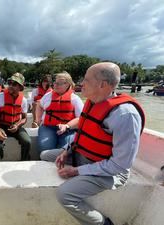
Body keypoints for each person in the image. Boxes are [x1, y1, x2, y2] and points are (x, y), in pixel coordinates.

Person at [54, 62, 145, 225]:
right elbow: (82, 133)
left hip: (109, 172)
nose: (82, 84)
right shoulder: (92, 102)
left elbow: (120, 166)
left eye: (86, 80)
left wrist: (77, 171)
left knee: (64, 194)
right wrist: (67, 151)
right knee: (46, 156)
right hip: (83, 155)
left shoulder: (125, 115)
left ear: (102, 85)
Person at [35, 72, 83, 154]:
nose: (55, 85)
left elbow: (80, 118)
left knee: (65, 150)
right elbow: (39, 105)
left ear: (68, 84)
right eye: (55, 82)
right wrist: (38, 119)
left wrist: (67, 126)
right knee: (45, 148)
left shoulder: (75, 99)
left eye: (59, 83)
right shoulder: (48, 96)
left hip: (68, 130)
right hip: (48, 127)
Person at [0, 72, 31, 161]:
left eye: (14, 84)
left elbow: (24, 118)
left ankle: (24, 161)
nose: (11, 86)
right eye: (9, 83)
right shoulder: (0, 97)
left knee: (27, 141)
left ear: (20, 87)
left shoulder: (23, 100)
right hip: (0, 125)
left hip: (15, 126)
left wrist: (17, 125)